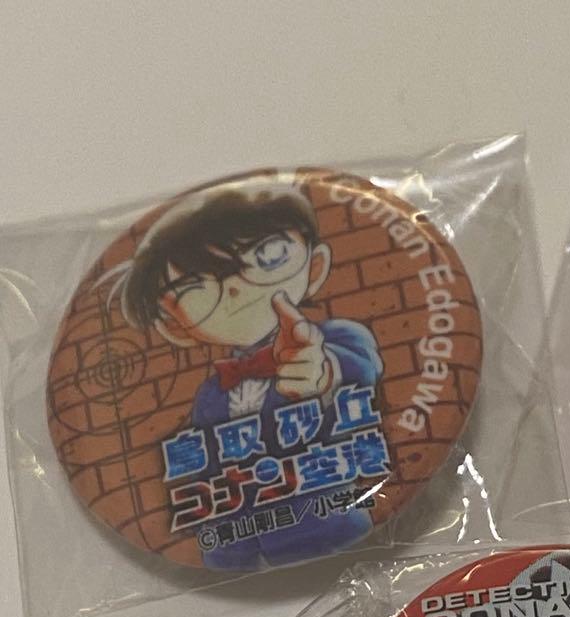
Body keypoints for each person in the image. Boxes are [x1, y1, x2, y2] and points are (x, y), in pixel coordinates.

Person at [112, 179, 384, 569]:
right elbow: (213, 479)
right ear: (176, 327)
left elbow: (357, 371)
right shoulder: (212, 394)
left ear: (315, 267)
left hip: (338, 531)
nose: (235, 288)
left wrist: (320, 373)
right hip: (246, 554)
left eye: (268, 254)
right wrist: (220, 551)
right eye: (194, 287)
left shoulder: (338, 339)